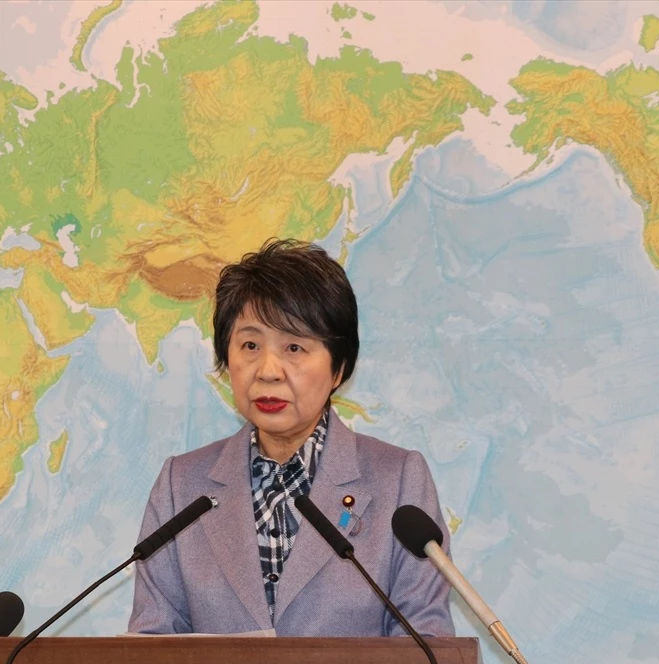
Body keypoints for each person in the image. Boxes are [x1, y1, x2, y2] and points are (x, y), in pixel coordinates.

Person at [128, 239, 453, 637]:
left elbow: (425, 641)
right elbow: (152, 643)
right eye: (250, 345)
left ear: (339, 368)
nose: (268, 370)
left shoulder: (399, 481)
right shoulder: (181, 486)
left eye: (294, 347)